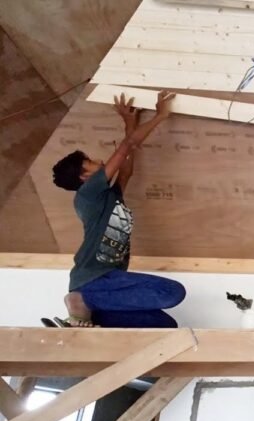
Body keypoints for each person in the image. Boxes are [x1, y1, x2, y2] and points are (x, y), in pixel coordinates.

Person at [50, 91, 186, 328]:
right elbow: (126, 147)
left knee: (166, 327)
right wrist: (160, 116)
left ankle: (85, 321)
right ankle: (80, 302)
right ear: (85, 177)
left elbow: (126, 169)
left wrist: (129, 123)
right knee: (171, 292)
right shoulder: (88, 194)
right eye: (91, 162)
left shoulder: (109, 197)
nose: (100, 162)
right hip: (94, 280)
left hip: (109, 284)